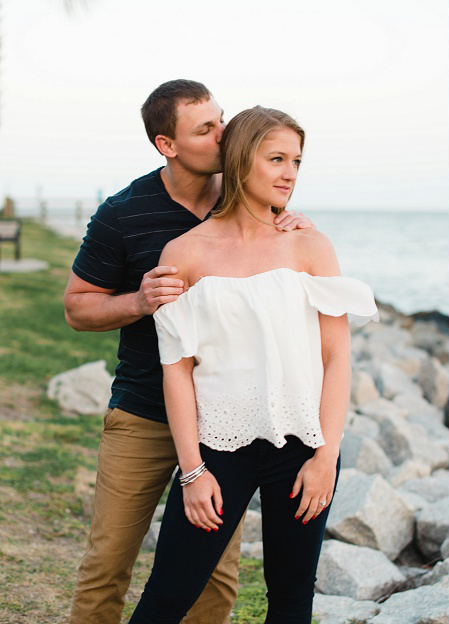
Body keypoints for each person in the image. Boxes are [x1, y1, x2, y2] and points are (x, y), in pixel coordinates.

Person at [64, 80, 311, 624]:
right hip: (146, 412)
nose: (223, 136)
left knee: (214, 582)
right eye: (205, 128)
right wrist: (138, 300)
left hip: (227, 425)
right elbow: (77, 308)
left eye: (221, 120)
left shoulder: (251, 197)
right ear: (166, 145)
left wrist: (293, 227)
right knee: (109, 562)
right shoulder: (124, 213)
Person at [126, 105, 377, 622]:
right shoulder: (185, 252)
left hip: (302, 449)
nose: (290, 173)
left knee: (290, 599)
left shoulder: (310, 245)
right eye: (277, 159)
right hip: (217, 451)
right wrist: (193, 471)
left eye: (298, 162)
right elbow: (177, 369)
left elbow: (336, 356)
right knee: (167, 596)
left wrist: (327, 457)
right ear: (241, 162)